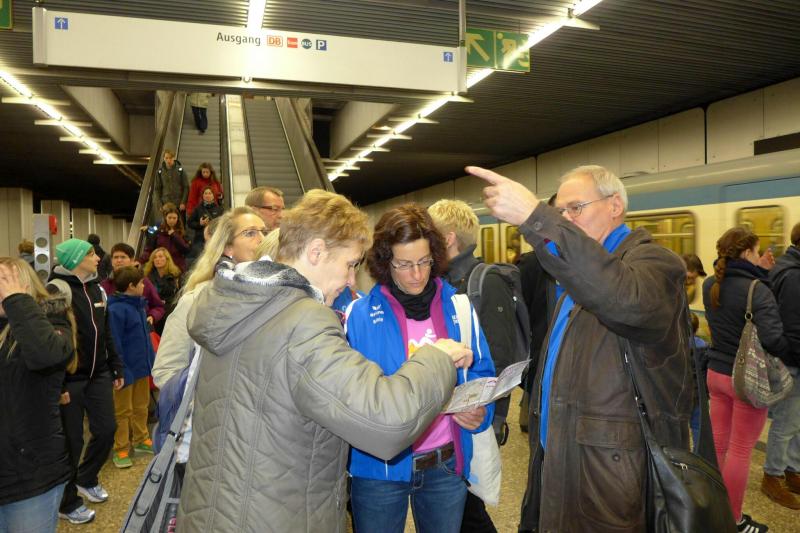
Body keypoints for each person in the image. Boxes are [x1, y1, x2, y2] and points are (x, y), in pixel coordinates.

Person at [177, 190, 472, 533]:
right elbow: (387, 422)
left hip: (217, 512)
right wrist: (437, 357)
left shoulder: (237, 303)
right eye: (350, 265)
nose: (351, 281)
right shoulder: (303, 321)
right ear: (316, 251)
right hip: (275, 518)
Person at [465, 164, 692, 533]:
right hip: (561, 458)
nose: (567, 219)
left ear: (615, 205)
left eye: (575, 208)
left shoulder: (656, 265)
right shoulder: (576, 280)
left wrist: (537, 217)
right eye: (561, 212)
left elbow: (624, 299)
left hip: (610, 474)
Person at [346, 204, 495, 533]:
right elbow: (350, 394)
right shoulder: (358, 316)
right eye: (404, 264)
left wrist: (480, 410)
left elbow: (482, 371)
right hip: (379, 470)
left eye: (424, 261)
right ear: (386, 262)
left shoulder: (458, 307)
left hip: (444, 465)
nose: (416, 274)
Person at [428, 199, 517, 533]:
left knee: (469, 510)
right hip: (449, 416)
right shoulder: (437, 283)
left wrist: (490, 415)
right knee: (460, 508)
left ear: (448, 238)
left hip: (474, 415)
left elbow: (501, 356)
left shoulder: (486, 282)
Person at [702, 226, 795, 530]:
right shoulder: (758, 289)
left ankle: (712, 511)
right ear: (746, 253)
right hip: (745, 380)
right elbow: (773, 338)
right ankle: (733, 520)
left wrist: (761, 273)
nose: (759, 256)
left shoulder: (710, 283)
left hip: (715, 374)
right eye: (756, 251)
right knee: (741, 451)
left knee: (718, 445)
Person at [47, 238, 124, 525]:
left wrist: (115, 366)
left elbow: (105, 331)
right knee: (71, 441)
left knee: (106, 430)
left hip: (98, 374)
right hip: (70, 379)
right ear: (76, 259)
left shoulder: (97, 288)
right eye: (91, 254)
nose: (97, 258)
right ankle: (67, 502)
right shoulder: (57, 290)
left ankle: (86, 478)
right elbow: (51, 341)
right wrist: (58, 384)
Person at [0, 258, 75, 533]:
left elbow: (46, 355)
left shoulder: (51, 320)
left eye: (5, 282)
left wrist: (16, 301)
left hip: (30, 474)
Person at [762, 222, 800, 509]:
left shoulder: (787, 267)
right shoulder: (793, 275)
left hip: (792, 358)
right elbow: (793, 325)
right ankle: (772, 476)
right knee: (786, 422)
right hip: (793, 361)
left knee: (796, 421)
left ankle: (792, 469)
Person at [107, 266, 156, 469]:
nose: (144, 286)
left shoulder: (139, 306)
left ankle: (141, 438)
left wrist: (151, 360)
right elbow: (114, 342)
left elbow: (144, 337)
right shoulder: (116, 310)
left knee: (141, 405)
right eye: (141, 283)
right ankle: (121, 448)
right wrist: (118, 369)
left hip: (141, 367)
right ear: (131, 286)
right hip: (125, 370)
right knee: (122, 410)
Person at [100, 243, 165, 328]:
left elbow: (158, 306)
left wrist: (152, 316)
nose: (119, 260)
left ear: (132, 260)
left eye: (123, 257)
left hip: (140, 328)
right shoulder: (104, 285)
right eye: (115, 257)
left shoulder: (143, 282)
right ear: (111, 261)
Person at [141, 204, 191, 272]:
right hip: (160, 267)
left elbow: (186, 249)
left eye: (174, 218)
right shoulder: (158, 231)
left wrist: (175, 235)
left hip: (177, 267)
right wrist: (140, 261)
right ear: (165, 218)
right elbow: (149, 249)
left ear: (177, 219)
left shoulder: (182, 233)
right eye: (169, 218)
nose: (172, 220)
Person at [143, 248, 182, 329]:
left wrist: (165, 302)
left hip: (169, 311)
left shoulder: (176, 277)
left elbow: (178, 297)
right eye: (155, 257)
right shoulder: (147, 277)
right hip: (152, 311)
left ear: (167, 259)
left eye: (160, 256)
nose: (157, 259)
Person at [187, 186, 224, 258]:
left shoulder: (219, 209)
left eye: (210, 193)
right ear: (203, 195)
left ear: (213, 195)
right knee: (200, 258)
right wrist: (200, 224)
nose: (207, 195)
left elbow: (223, 224)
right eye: (205, 193)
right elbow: (189, 223)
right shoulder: (198, 209)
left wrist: (213, 224)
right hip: (200, 240)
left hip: (215, 239)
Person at [154, 150, 188, 215]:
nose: (168, 160)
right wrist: (160, 204)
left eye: (170, 158)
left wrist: (183, 202)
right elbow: (157, 189)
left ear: (174, 158)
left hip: (178, 204)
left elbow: (186, 187)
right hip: (165, 204)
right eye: (166, 158)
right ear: (163, 158)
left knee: (178, 220)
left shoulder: (180, 170)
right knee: (166, 220)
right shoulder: (159, 172)